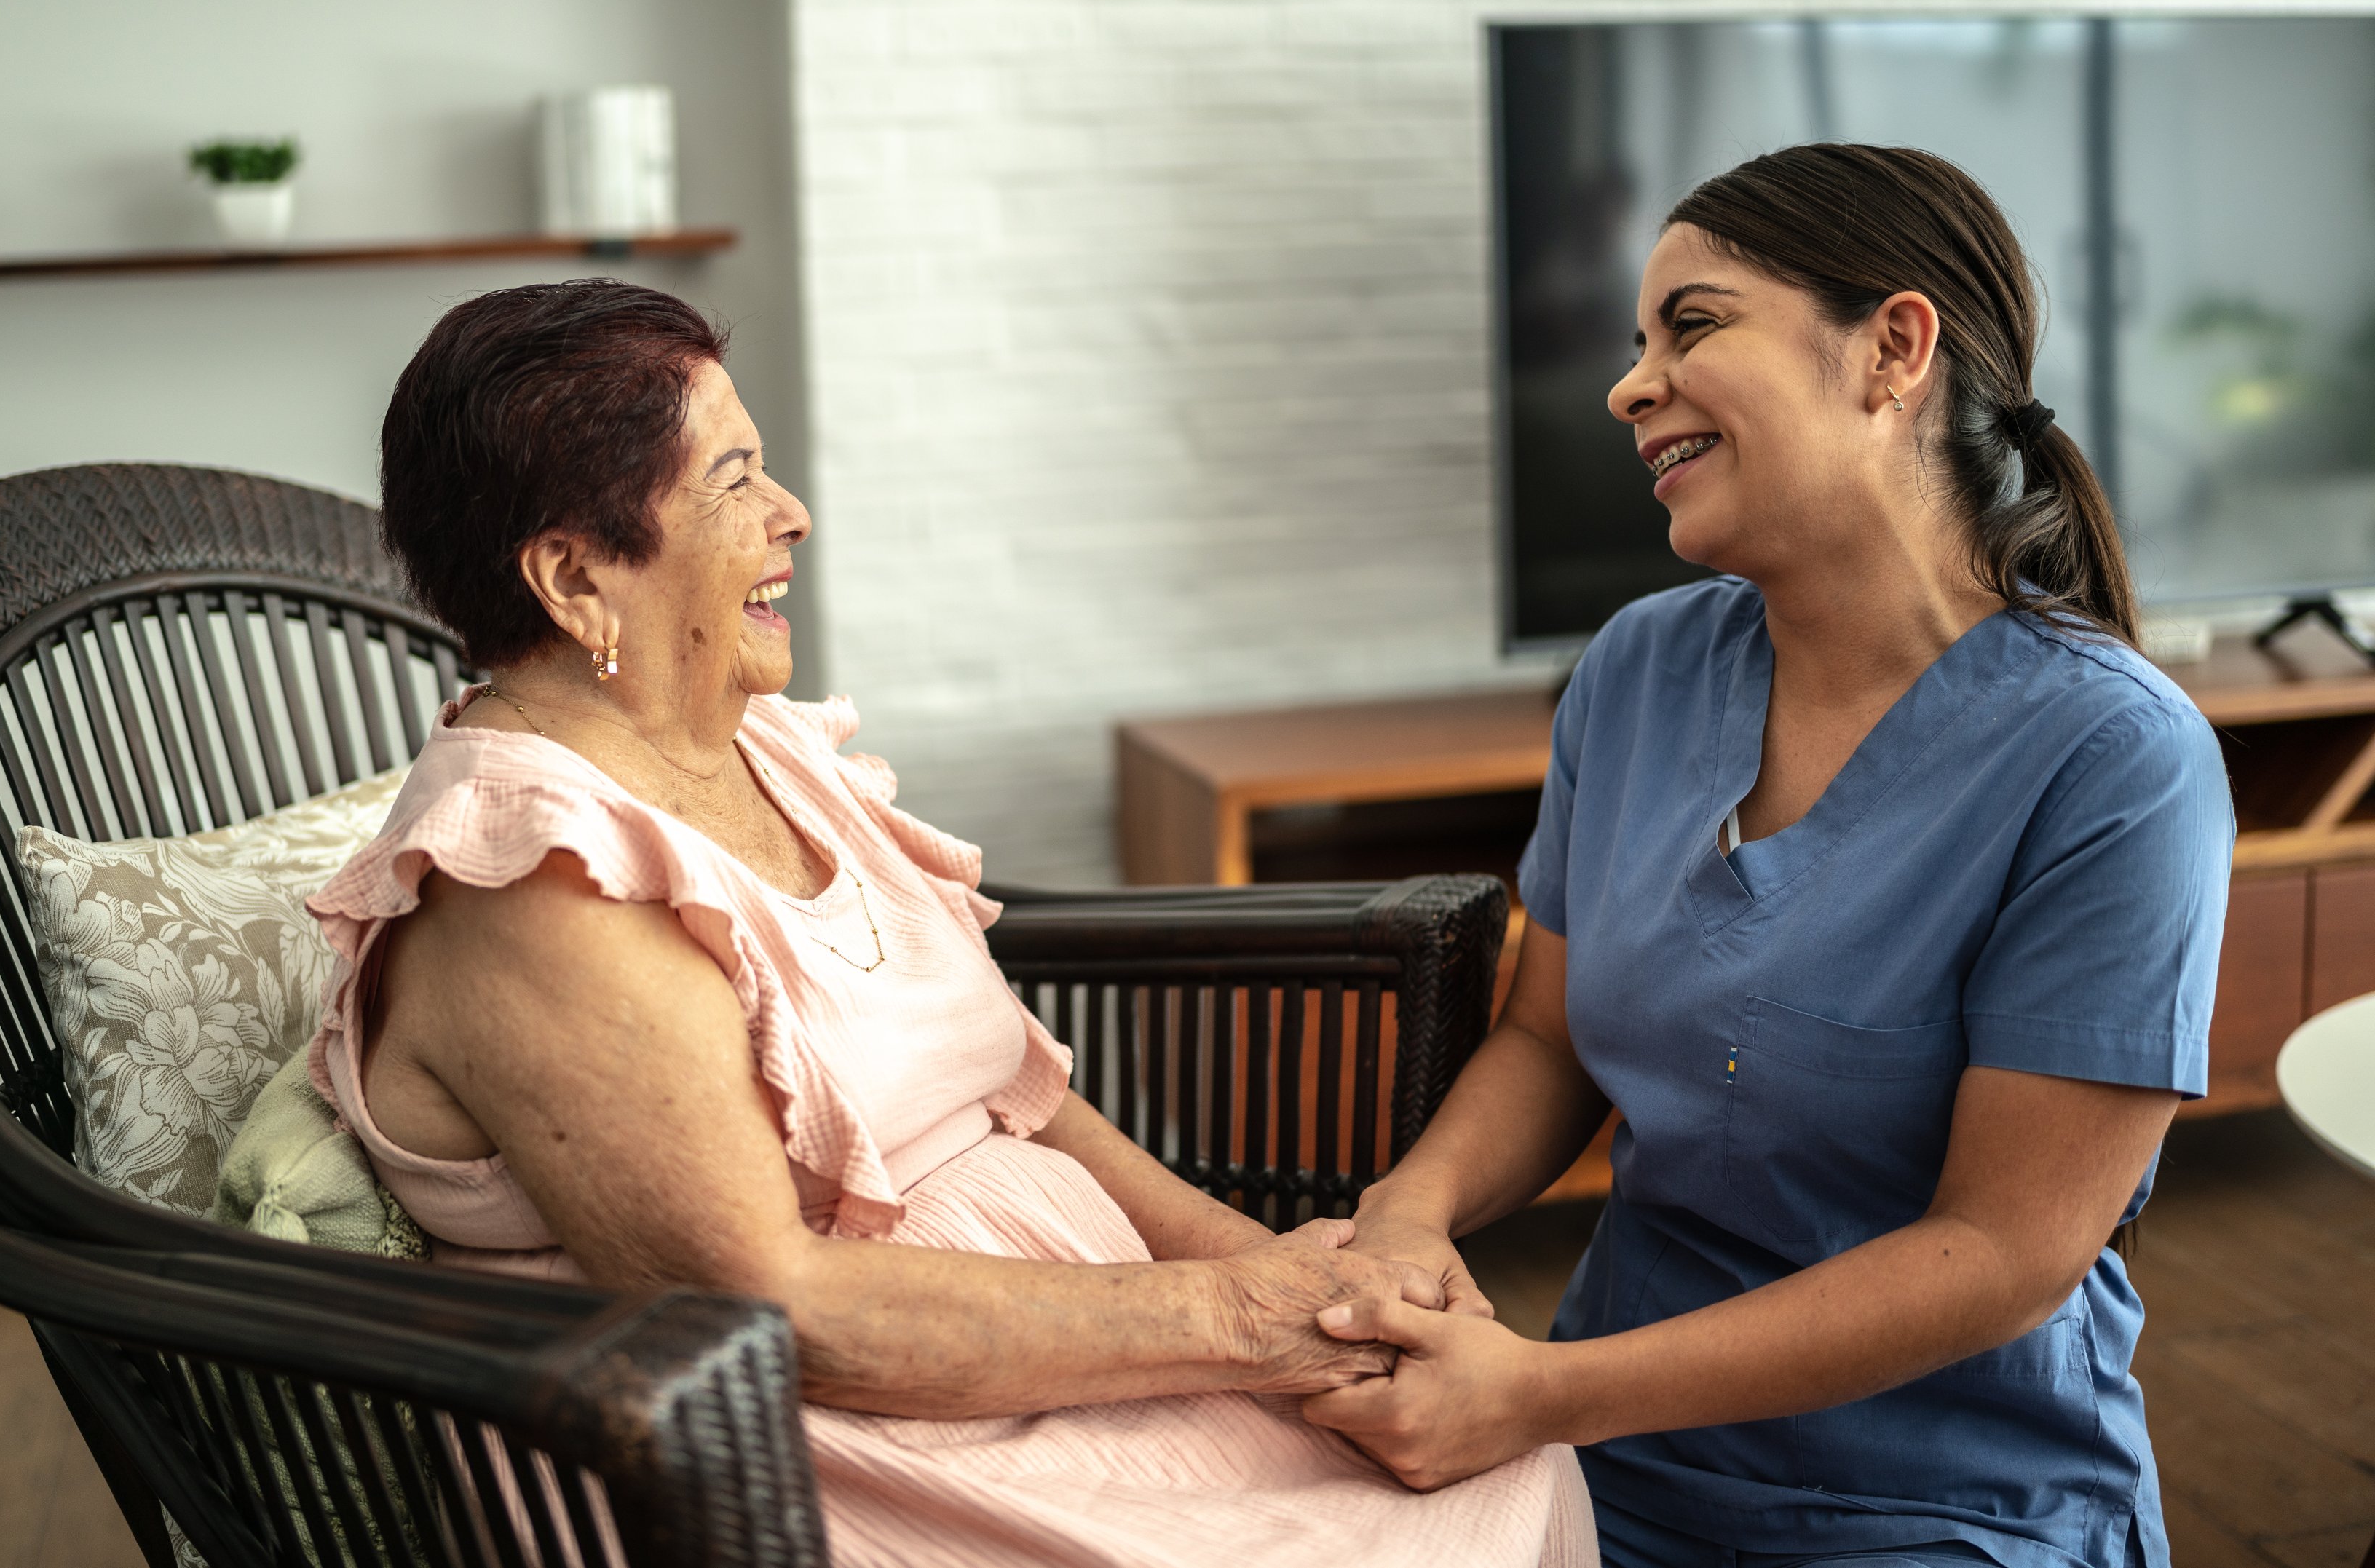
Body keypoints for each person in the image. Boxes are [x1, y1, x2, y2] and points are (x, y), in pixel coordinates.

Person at [304, 279, 1595, 1567]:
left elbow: (1026, 1096)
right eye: (736, 478)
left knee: (1495, 1454)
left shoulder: (769, 750)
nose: (790, 514)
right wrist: (1247, 1315)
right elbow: (777, 1313)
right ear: (578, 575)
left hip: (1091, 1360)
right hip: (827, 1454)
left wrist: (1301, 1279)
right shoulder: (538, 882)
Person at [1307, 145, 2233, 1568]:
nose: (1630, 385)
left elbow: (2003, 1254)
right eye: (1635, 345)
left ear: (1894, 350)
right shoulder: (1636, 671)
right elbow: (1552, 1040)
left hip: (1944, 1503)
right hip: (1602, 1451)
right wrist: (1406, 1213)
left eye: (1694, 324)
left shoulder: (2114, 759)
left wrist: (1540, 1395)